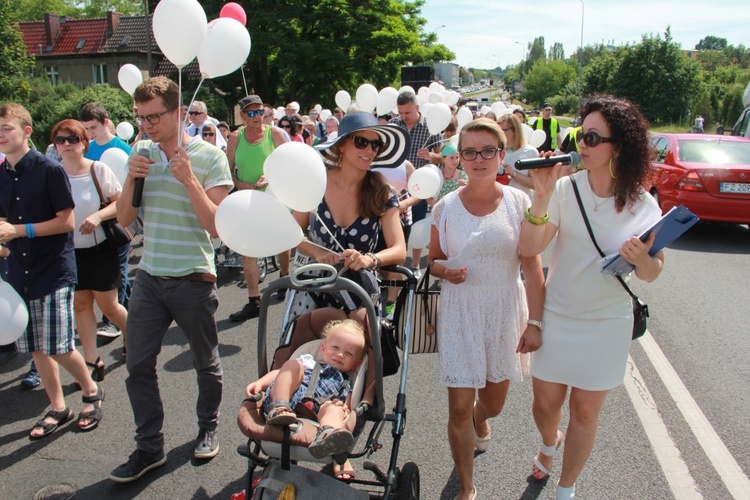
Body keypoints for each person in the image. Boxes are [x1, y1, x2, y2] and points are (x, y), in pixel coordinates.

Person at [518, 95, 664, 500]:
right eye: (582, 133)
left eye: (594, 137)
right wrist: (542, 199)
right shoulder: (565, 188)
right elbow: (530, 249)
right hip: (560, 315)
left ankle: (567, 488)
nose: (583, 143)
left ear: (619, 146)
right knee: (545, 405)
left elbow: (653, 272)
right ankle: (550, 443)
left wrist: (641, 260)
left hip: (606, 323)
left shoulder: (642, 203)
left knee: (586, 411)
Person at [110, 76, 233, 483]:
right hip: (149, 276)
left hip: (193, 277)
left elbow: (217, 228)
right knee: (138, 365)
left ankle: (208, 426)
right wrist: (131, 177)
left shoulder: (209, 156)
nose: (146, 124)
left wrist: (188, 178)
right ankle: (150, 448)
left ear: (180, 112)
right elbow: (125, 220)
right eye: (141, 117)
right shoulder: (139, 150)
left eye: (154, 116)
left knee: (205, 362)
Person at [426, 118, 545, 500]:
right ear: (459, 158)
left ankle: (481, 419)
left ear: (502, 154)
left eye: (488, 151)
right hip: (460, 310)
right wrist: (446, 271)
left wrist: (536, 323)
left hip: (504, 309)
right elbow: (432, 260)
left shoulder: (518, 203)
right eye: (470, 152)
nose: (479, 159)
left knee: (493, 402)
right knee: (458, 408)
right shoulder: (444, 209)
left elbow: (531, 264)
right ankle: (466, 486)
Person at [293, 111, 409, 479]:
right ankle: (289, 410)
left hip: (357, 290)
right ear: (341, 145)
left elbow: (399, 250)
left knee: (355, 343)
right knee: (301, 341)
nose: (369, 150)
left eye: (375, 144)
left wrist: (371, 257)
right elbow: (294, 234)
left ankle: (344, 425)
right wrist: (317, 253)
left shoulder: (380, 192)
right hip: (315, 284)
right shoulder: (314, 183)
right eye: (362, 141)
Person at [0, 103, 105, 438]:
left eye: (6, 129)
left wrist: (19, 231)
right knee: (36, 347)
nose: (0, 136)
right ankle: (58, 408)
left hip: (53, 269)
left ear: (26, 131)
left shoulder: (49, 169)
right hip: (18, 270)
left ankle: (91, 390)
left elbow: (66, 223)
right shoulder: (1, 173)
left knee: (59, 345)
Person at [54, 119, 128, 386]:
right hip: (68, 253)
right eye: (60, 140)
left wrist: (97, 216)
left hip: (100, 250)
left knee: (109, 305)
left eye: (72, 139)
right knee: (81, 305)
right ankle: (91, 359)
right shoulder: (54, 174)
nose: (66, 145)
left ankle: (131, 338)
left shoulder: (98, 169)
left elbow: (120, 203)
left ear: (83, 143)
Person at [245, 319, 366, 457]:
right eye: (335, 348)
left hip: (316, 414)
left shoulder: (345, 384)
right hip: (289, 399)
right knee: (292, 366)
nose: (340, 355)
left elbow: (348, 407)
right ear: (323, 348)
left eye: (348, 354)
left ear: (356, 364)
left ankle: (328, 434)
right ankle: (278, 407)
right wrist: (260, 383)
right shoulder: (308, 361)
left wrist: (343, 409)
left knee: (335, 408)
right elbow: (279, 374)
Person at [227, 95, 290, 322]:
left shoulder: (275, 134)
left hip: (274, 197)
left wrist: (270, 174)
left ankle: (284, 278)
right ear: (242, 116)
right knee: (248, 249)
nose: (257, 116)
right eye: (251, 113)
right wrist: (239, 183)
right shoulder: (235, 137)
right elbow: (230, 170)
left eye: (259, 111)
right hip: (248, 199)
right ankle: (254, 300)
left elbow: (289, 162)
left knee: (282, 240)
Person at [79, 102, 133, 340]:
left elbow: (130, 185)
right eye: (86, 129)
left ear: (106, 123)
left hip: (115, 219)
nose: (90, 133)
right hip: (90, 225)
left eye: (94, 128)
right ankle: (127, 308)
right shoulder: (86, 148)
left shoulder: (121, 147)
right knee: (115, 275)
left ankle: (111, 321)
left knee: (117, 269)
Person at [389, 91, 443, 275]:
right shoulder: (394, 125)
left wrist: (431, 156)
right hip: (395, 185)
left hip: (420, 186)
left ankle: (415, 264)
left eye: (407, 113)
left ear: (417, 108)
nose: (403, 117)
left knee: (418, 224)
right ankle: (393, 263)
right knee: (394, 225)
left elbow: (442, 157)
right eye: (401, 112)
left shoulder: (430, 126)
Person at [499, 113, 538, 199]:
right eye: (498, 130)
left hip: (521, 204)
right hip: (499, 203)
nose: (499, 133)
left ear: (515, 131)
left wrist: (514, 174)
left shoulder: (530, 152)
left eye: (503, 130)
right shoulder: (496, 151)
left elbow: (536, 184)